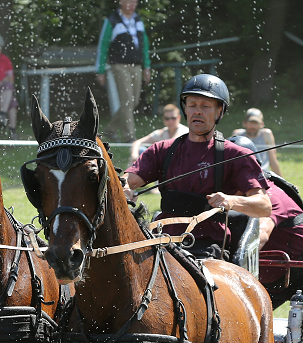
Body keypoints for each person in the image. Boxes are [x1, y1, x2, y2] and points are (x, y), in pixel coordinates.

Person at [124, 74, 272, 263]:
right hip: (162, 240)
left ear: (219, 112)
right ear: (185, 109)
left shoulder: (236, 155)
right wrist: (125, 189)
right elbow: (129, 180)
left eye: (205, 106)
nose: (198, 111)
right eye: (192, 105)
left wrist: (231, 200)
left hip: (208, 246)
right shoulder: (161, 150)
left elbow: (264, 206)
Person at [229, 135, 303, 339]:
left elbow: (259, 236)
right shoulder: (222, 195)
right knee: (238, 330)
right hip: (268, 273)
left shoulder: (270, 196)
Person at [95, 0, 151, 142]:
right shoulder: (112, 20)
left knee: (134, 101)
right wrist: (100, 70)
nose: (132, 5)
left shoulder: (138, 19)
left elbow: (144, 44)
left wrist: (147, 66)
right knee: (127, 101)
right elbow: (103, 45)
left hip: (137, 66)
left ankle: (110, 130)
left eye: (135, 2)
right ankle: (129, 137)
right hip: (119, 66)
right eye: (129, 1)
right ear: (121, 2)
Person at [231, 108, 283, 176]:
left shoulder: (266, 134)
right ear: (244, 123)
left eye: (255, 123)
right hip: (242, 174)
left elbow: (273, 160)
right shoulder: (238, 135)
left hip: (262, 174)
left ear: (262, 124)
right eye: (250, 123)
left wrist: (284, 184)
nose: (253, 126)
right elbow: (231, 161)